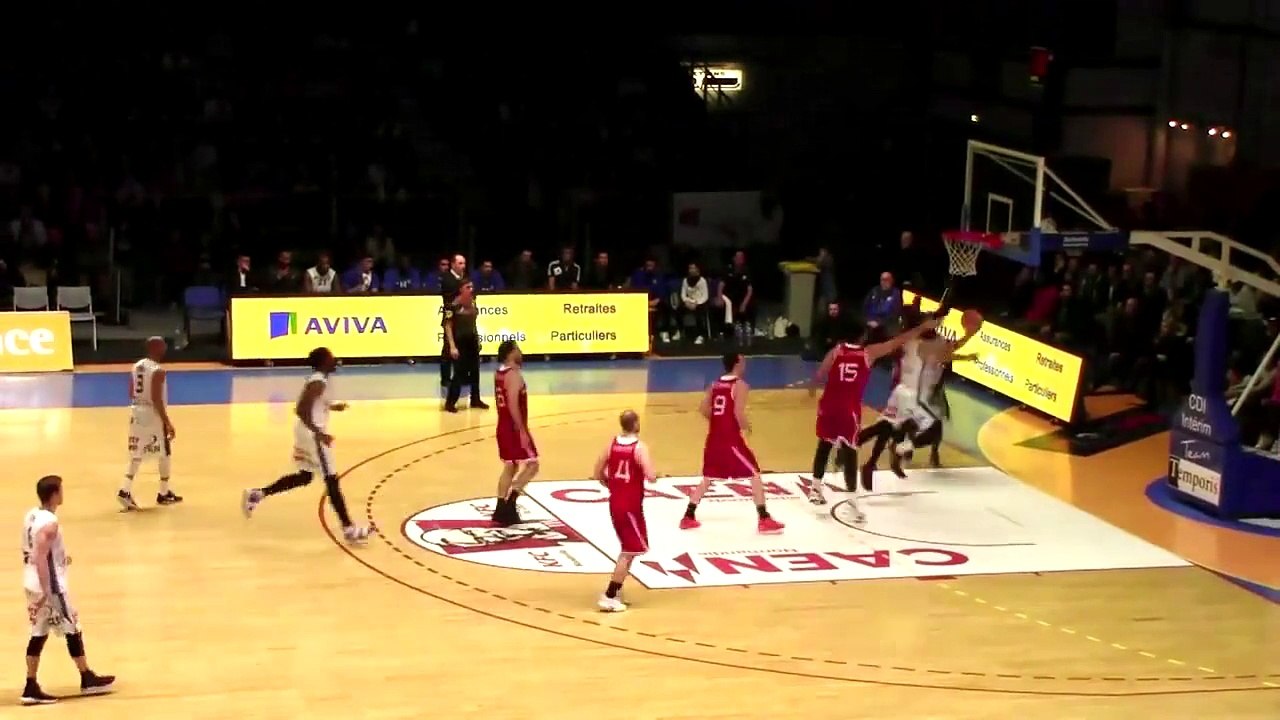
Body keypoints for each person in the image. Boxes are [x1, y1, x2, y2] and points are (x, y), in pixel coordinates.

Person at [805, 313, 940, 514]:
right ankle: (852, 501)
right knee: (850, 452)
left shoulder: (836, 351)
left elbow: (819, 375)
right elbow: (899, 340)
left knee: (824, 445)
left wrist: (813, 389)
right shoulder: (868, 353)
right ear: (862, 337)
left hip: (828, 405)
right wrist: (922, 328)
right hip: (847, 409)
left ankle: (815, 489)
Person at [240, 347, 374, 545]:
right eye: (331, 358)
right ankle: (349, 528)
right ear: (323, 362)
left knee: (304, 477)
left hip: (306, 433)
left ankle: (257, 494)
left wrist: (331, 406)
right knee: (332, 482)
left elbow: (314, 404)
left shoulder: (319, 381)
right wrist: (319, 433)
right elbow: (301, 409)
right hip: (313, 436)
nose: (334, 360)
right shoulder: (318, 381)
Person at [22, 475, 116, 705]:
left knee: (39, 632)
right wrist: (47, 591)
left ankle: (30, 685)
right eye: (61, 490)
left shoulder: (31, 515)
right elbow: (40, 556)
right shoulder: (50, 524)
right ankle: (86, 678)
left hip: (31, 582)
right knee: (72, 626)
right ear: (54, 494)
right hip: (50, 587)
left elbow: (36, 551)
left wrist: (62, 559)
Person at [856, 309, 978, 484]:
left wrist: (941, 317)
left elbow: (946, 349)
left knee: (884, 427)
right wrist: (969, 335)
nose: (938, 324)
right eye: (933, 322)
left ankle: (858, 452)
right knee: (932, 429)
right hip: (914, 397)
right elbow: (949, 351)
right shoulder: (926, 344)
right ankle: (901, 449)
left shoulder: (911, 339)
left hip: (900, 391)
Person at [682, 353, 784, 534]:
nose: (745, 364)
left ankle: (688, 515)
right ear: (737, 363)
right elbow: (738, 413)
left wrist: (718, 422)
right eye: (743, 361)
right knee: (754, 473)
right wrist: (747, 427)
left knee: (708, 477)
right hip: (730, 440)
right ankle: (764, 518)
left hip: (714, 438)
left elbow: (703, 409)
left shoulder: (714, 385)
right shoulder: (740, 385)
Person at [592, 409, 656, 613]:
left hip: (616, 503)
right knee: (629, 551)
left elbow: (597, 471)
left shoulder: (612, 444)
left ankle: (616, 591)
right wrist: (656, 475)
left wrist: (609, 482)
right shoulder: (639, 448)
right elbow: (651, 475)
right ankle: (610, 594)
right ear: (636, 424)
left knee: (629, 549)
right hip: (630, 506)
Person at [119, 336, 182, 510]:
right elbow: (156, 398)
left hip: (136, 411)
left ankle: (125, 490)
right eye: (162, 345)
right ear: (155, 348)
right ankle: (163, 492)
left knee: (136, 451)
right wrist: (167, 421)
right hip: (151, 413)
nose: (165, 348)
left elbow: (131, 391)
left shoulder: (136, 366)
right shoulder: (158, 370)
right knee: (165, 451)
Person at [492, 340, 540, 526]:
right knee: (533, 465)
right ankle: (511, 501)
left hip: (503, 427)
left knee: (510, 467)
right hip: (513, 429)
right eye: (518, 349)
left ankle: (500, 508)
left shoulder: (499, 373)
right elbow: (512, 404)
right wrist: (521, 430)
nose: (521, 352)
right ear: (511, 353)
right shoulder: (513, 375)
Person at [443, 279, 488, 412]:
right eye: (468, 287)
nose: (471, 289)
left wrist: (478, 339)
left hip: (471, 340)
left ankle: (475, 399)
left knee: (475, 371)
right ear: (461, 289)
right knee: (459, 373)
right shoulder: (453, 305)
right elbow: (448, 326)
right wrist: (452, 346)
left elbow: (473, 324)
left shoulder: (473, 303)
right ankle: (450, 402)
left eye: (472, 287)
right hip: (459, 342)